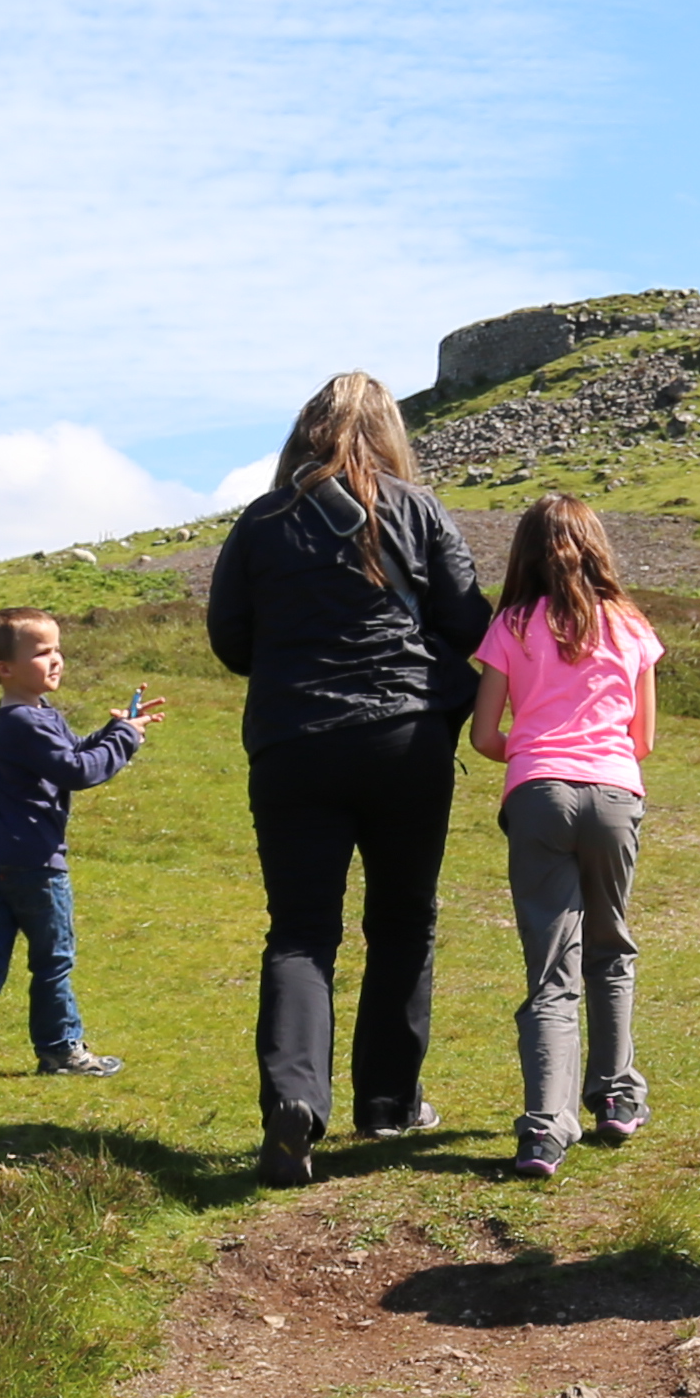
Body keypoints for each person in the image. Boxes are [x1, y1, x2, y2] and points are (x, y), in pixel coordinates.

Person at [205, 372, 491, 1186]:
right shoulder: (419, 509)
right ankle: (389, 1103)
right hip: (404, 740)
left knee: (300, 930)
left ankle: (294, 1100)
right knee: (402, 920)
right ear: (390, 433)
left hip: (293, 744)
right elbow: (470, 623)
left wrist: (297, 659)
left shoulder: (262, 522)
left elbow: (231, 640)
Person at [457, 493, 661, 1183]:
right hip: (613, 793)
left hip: (538, 794)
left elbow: (485, 736)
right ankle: (616, 1097)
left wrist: (533, 752)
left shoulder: (511, 624)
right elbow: (645, 739)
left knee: (552, 968)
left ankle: (545, 1131)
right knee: (612, 946)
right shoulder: (631, 624)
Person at [0, 607, 154, 1084]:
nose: (56, 660)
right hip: (35, 865)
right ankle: (61, 1049)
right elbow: (80, 771)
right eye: (42, 652)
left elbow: (73, 753)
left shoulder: (29, 715)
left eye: (58, 649)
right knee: (53, 961)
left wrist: (117, 730)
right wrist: (125, 742)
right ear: (4, 669)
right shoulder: (28, 721)